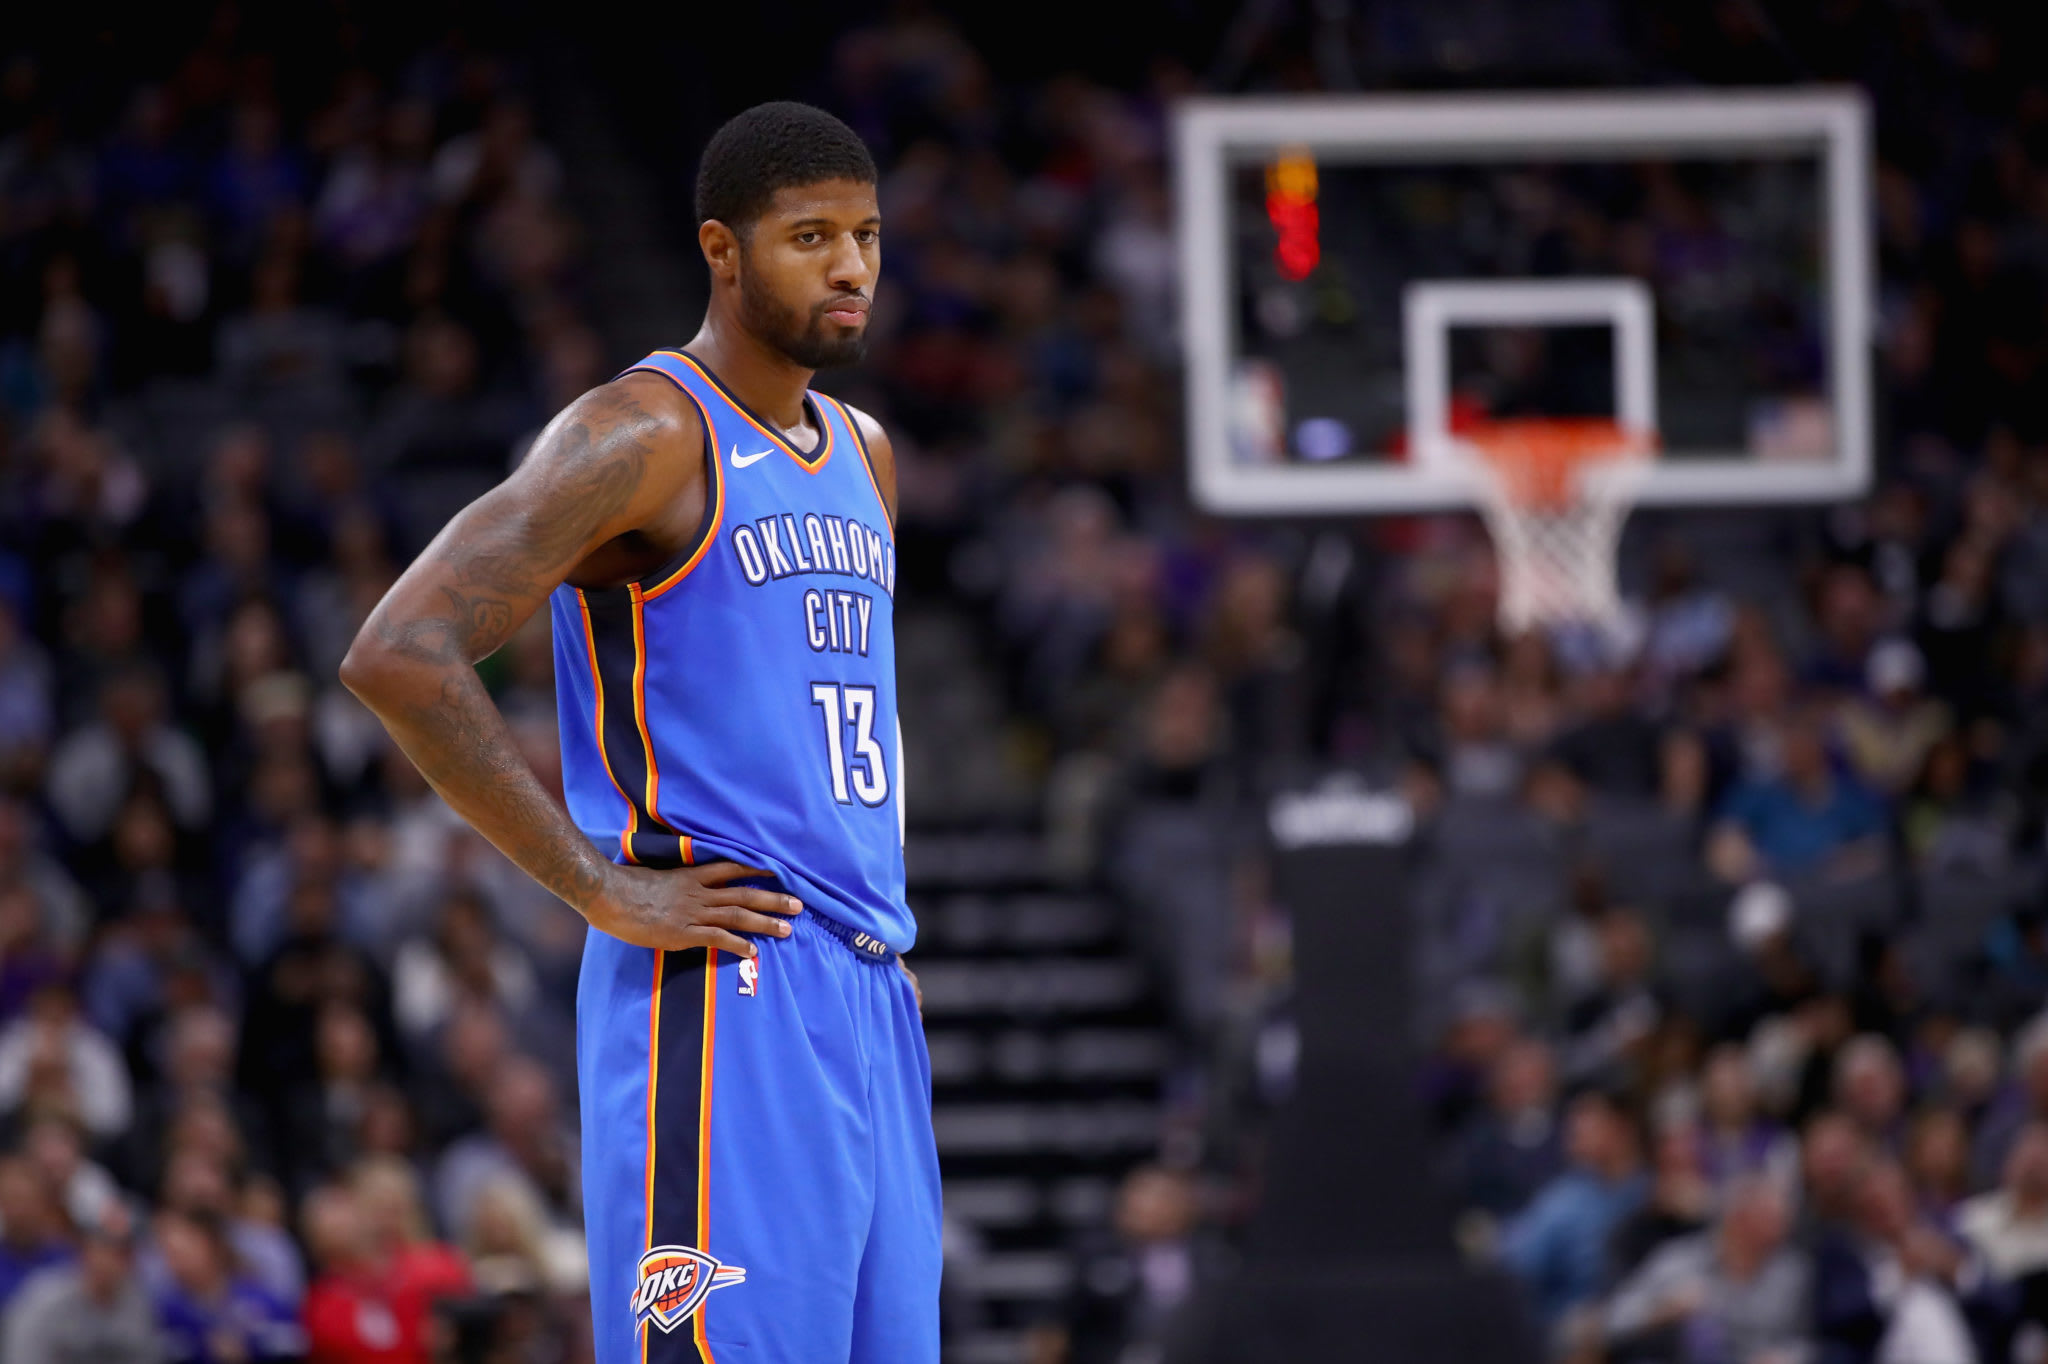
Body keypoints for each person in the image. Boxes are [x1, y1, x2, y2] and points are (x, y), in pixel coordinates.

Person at [341, 101, 938, 1362]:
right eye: (811, 236)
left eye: (867, 235)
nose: (849, 266)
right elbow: (399, 649)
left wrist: (872, 923)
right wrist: (596, 885)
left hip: (866, 989)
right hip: (726, 988)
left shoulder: (866, 454)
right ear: (721, 249)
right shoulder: (643, 434)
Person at [0, 1201, 163, 1364]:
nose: (111, 1261)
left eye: (123, 1253)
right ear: (85, 1248)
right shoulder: (42, 1301)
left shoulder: (140, 1306)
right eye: (104, 1247)